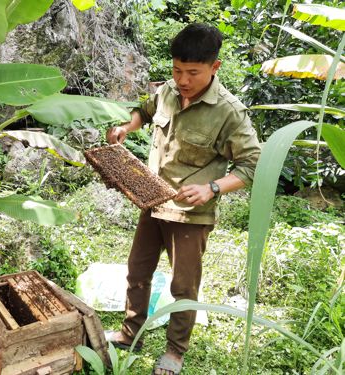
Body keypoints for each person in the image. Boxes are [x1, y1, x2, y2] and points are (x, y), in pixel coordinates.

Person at [104, 23, 261, 374]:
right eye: (177, 70)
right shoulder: (168, 92)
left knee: (183, 285)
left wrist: (213, 188)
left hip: (191, 215)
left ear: (214, 68)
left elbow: (253, 164)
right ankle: (131, 334)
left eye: (193, 72)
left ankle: (175, 351)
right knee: (137, 272)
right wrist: (127, 127)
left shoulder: (230, 113)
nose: (183, 80)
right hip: (152, 200)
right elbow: (144, 111)